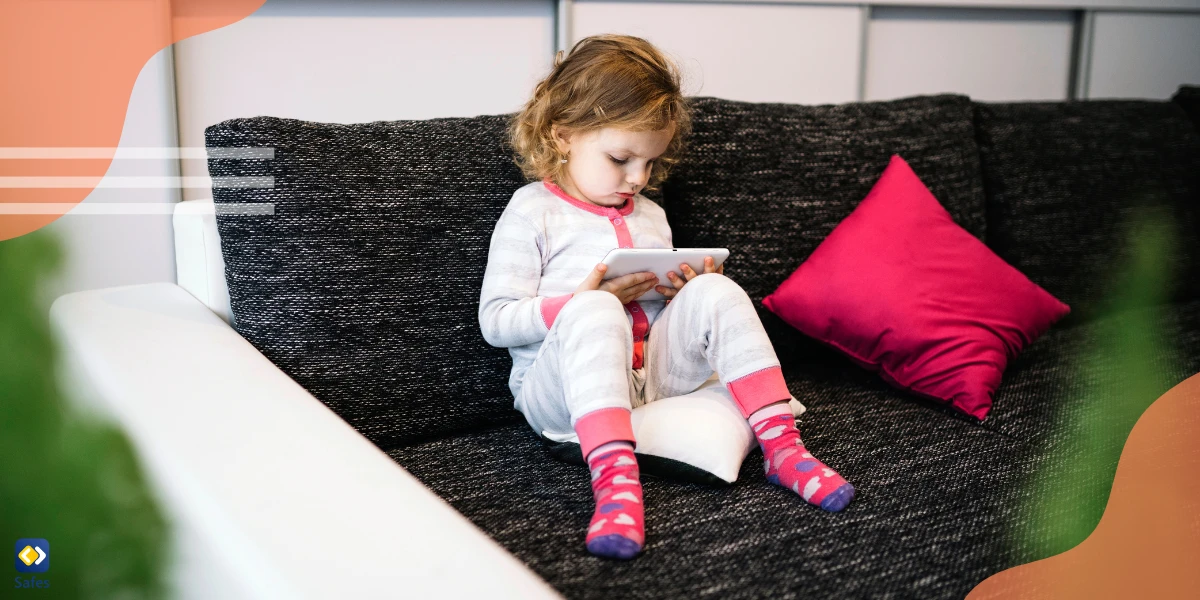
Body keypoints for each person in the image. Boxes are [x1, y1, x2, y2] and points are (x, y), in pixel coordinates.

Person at [478, 34, 853, 561]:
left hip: (650, 381)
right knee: (595, 308)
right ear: (563, 136)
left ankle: (783, 449)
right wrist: (579, 298)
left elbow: (660, 315)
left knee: (715, 289)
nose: (637, 179)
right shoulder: (531, 211)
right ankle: (615, 485)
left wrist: (680, 295)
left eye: (649, 164)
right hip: (560, 394)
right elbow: (495, 322)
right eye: (620, 159)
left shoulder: (650, 215)